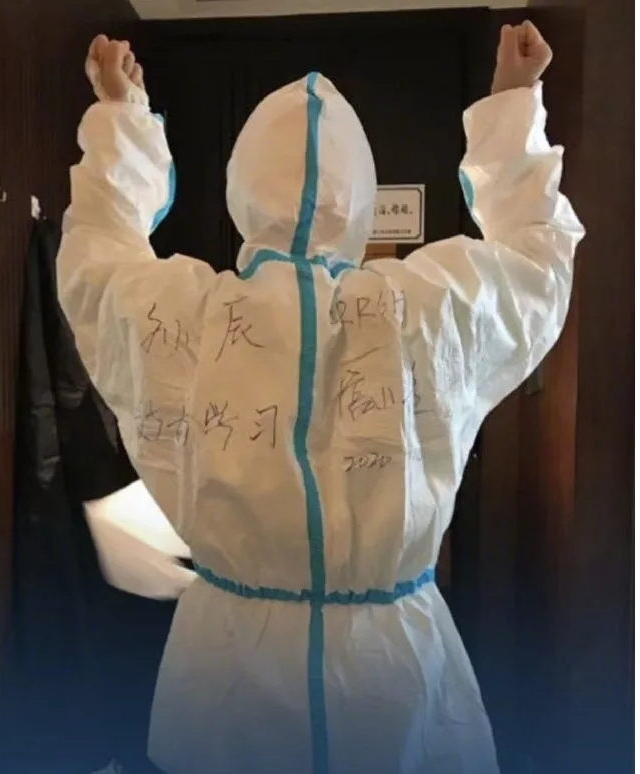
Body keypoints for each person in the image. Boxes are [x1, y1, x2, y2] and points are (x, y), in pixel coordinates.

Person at [57, 22, 583, 774]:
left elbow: (97, 259)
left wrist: (122, 118)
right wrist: (513, 104)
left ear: (241, 188)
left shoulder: (186, 315)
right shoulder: (427, 310)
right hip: (391, 670)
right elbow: (535, 262)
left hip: (226, 673)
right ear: (360, 199)